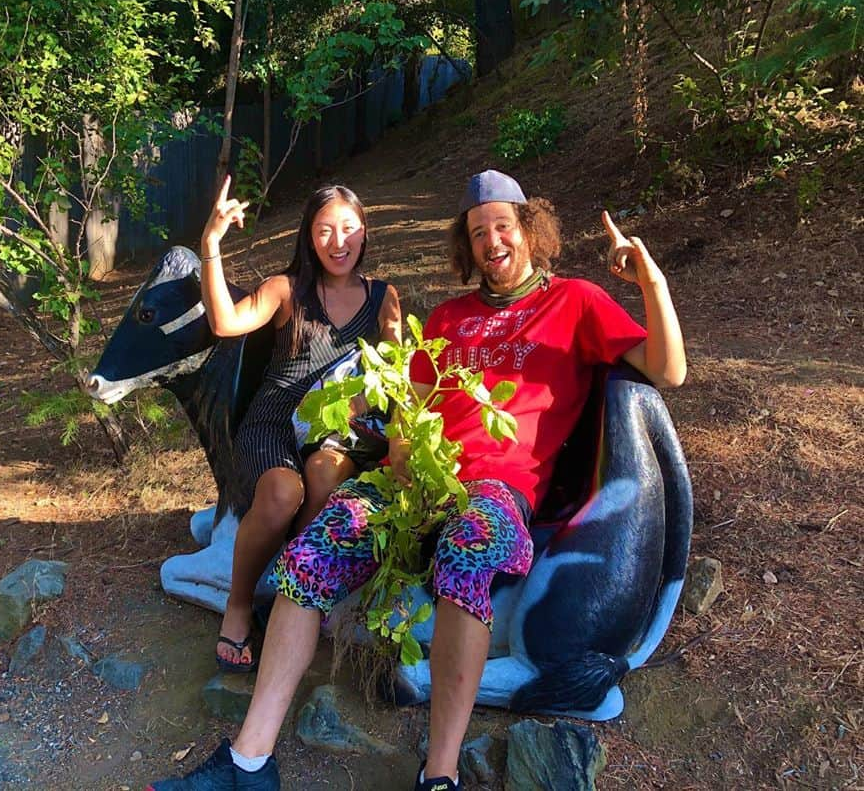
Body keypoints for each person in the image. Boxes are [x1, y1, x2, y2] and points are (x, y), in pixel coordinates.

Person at [149, 170, 685, 791]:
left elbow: (667, 371)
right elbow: (413, 405)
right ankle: (248, 762)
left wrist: (650, 279)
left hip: (497, 489)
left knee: (467, 551)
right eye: (478, 232)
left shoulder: (575, 302)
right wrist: (401, 448)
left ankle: (439, 774)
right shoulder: (451, 317)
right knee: (310, 554)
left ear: (530, 230)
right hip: (413, 486)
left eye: (502, 227)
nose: (492, 243)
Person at [201, 177, 402, 672]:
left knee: (325, 474)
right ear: (309, 236)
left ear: (365, 231)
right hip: (272, 423)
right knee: (282, 492)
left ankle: (298, 589)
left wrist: (368, 404)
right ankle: (240, 603)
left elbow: (397, 369)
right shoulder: (285, 289)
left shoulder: (383, 298)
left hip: (337, 429)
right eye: (325, 230)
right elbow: (225, 323)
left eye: (350, 229)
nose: (339, 242)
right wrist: (210, 244)